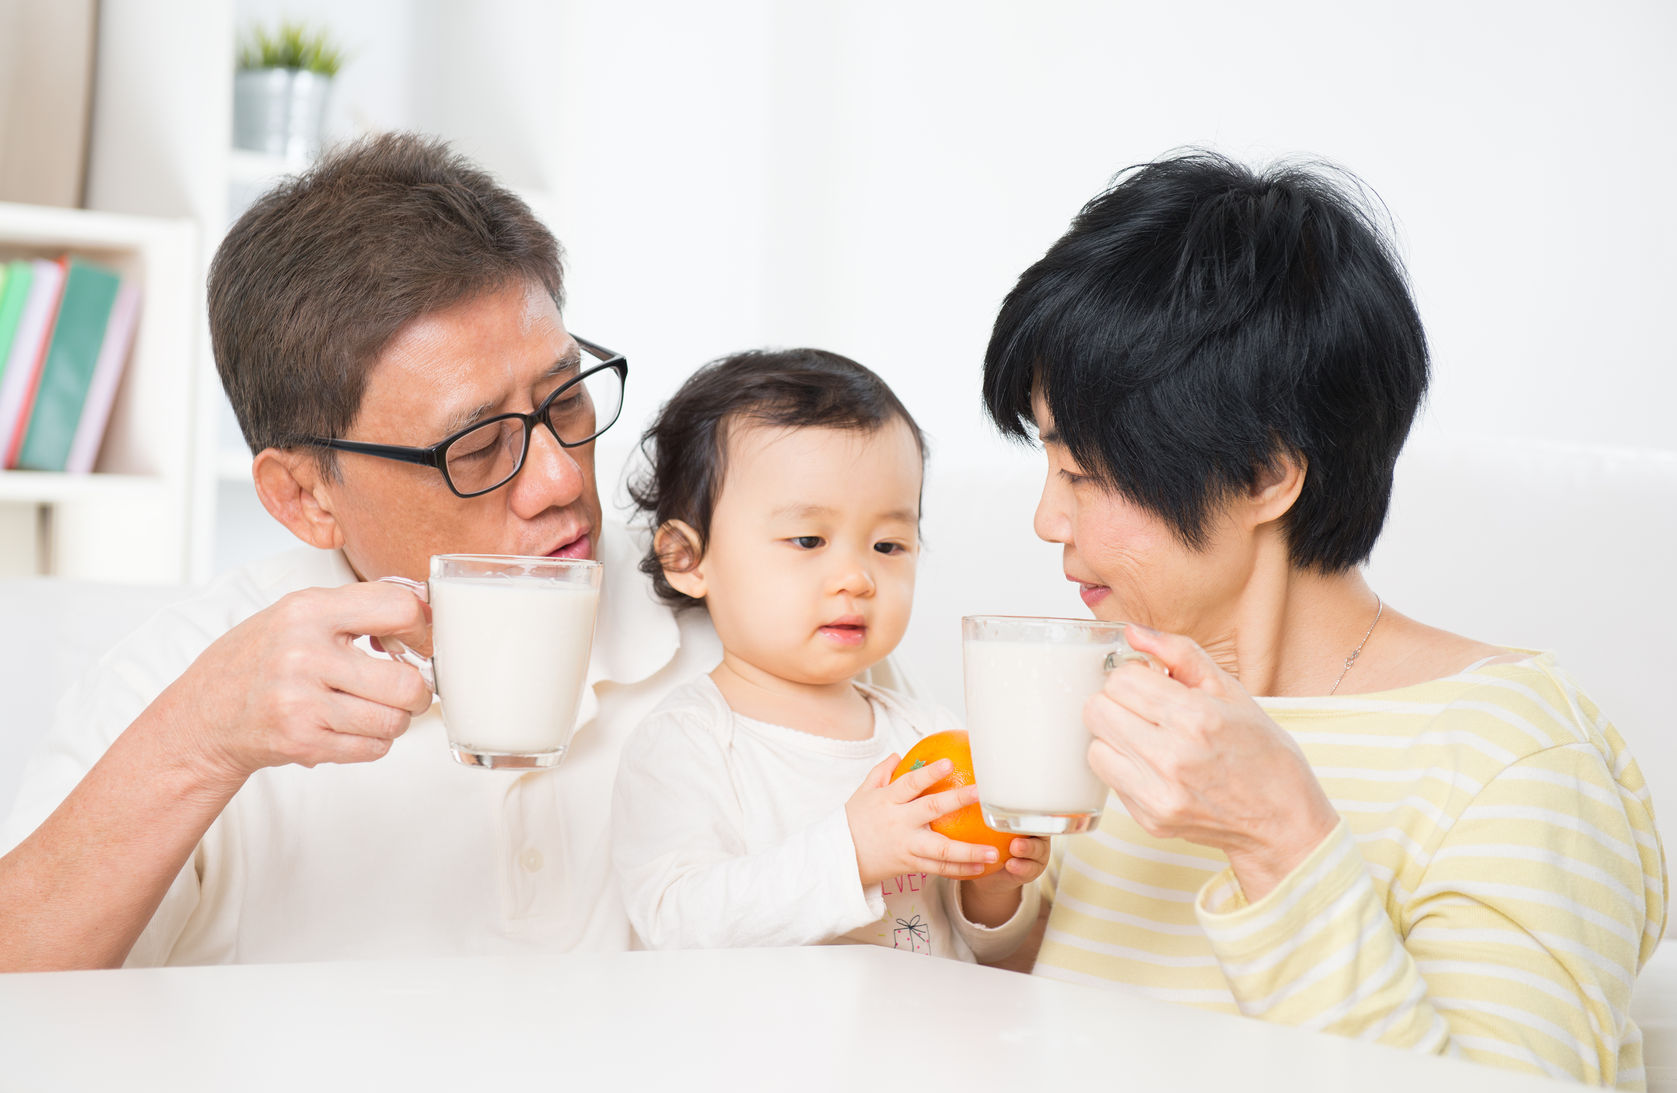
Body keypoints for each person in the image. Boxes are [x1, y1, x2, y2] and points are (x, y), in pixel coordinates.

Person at [0, 132, 771, 968]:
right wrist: (198, 744)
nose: (555, 477)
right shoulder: (189, 684)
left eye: (568, 400)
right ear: (305, 496)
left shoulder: (755, 614)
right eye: (476, 445)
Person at [981, 152, 1667, 1089]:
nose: (1046, 520)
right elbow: (1054, 1025)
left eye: (1083, 474)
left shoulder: (1511, 755)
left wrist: (1278, 835)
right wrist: (978, 896)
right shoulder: (1130, 698)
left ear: (1266, 475)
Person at [611, 349, 1046, 959]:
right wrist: (854, 852)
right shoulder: (689, 741)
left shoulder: (932, 736)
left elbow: (984, 953)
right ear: (687, 559)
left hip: (923, 1044)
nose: (856, 577)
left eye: (889, 545)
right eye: (808, 539)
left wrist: (993, 888)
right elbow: (675, 921)